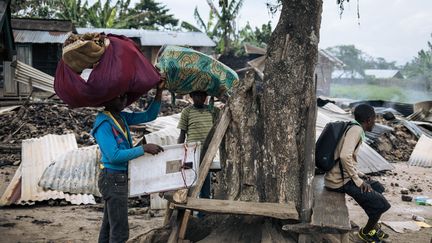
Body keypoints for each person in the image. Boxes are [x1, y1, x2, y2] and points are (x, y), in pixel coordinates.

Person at [92, 82, 165, 243]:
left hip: (117, 178)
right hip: (112, 178)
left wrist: (159, 91)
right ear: (108, 99)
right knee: (119, 232)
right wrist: (143, 148)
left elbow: (149, 116)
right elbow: (114, 156)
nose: (124, 100)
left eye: (125, 96)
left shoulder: (121, 117)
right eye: (119, 97)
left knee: (109, 226)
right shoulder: (104, 123)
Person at [324, 104, 391, 243]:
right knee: (381, 205)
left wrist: (360, 174)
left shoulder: (353, 127)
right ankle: (365, 233)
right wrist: (358, 181)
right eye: (374, 119)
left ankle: (373, 227)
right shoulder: (356, 130)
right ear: (368, 120)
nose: (375, 122)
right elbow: (344, 156)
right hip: (339, 181)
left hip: (340, 177)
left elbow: (347, 158)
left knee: (378, 188)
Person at [177, 91, 217, 200]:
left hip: (208, 151)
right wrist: (178, 154)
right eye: (196, 95)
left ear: (206, 96)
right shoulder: (187, 112)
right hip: (191, 152)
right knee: (190, 180)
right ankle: (186, 209)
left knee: (205, 178)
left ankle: (202, 213)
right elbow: (182, 135)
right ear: (191, 96)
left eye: (203, 95)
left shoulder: (212, 110)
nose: (200, 98)